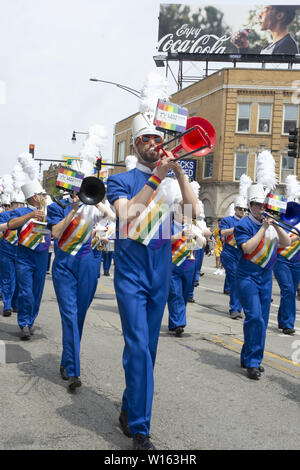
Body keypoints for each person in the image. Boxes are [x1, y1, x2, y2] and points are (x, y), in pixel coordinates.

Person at [107, 111, 198, 450]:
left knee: (148, 350)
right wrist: (157, 177)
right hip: (131, 275)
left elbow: (194, 214)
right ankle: (141, 429)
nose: (154, 144)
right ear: (135, 145)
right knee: (138, 347)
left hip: (160, 273)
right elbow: (125, 214)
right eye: (146, 139)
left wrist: (179, 175)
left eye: (157, 139)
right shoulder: (122, 180)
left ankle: (130, 406)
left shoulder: (171, 184)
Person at [47, 193, 108, 391]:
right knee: (70, 316)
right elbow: (55, 232)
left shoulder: (93, 207)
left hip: (88, 265)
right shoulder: (56, 207)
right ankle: (74, 371)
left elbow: (115, 219)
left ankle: (67, 359)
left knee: (79, 317)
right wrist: (73, 209)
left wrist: (96, 200)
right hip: (65, 266)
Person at [234, 184, 291, 380]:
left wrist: (275, 225)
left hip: (265, 278)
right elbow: (248, 248)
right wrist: (264, 227)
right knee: (255, 317)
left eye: (263, 205)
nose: (261, 209)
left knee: (262, 321)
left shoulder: (271, 224)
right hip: (247, 277)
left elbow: (287, 243)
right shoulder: (243, 225)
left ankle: (249, 355)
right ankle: (252, 362)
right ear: (250, 206)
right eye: (257, 205)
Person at [7, 179, 50, 340]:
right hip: (24, 256)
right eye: (42, 194)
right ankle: (24, 322)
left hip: (41, 255)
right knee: (26, 292)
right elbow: (11, 224)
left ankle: (30, 321)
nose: (45, 196)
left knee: (37, 292)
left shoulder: (48, 210)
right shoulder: (21, 211)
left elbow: (51, 231)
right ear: (33, 197)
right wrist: (31, 215)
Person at [168, 215, 206, 336]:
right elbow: (163, 242)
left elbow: (203, 243)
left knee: (183, 295)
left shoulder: (192, 227)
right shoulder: (167, 226)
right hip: (172, 264)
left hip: (189, 265)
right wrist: (181, 234)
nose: (184, 216)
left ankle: (174, 322)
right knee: (175, 293)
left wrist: (194, 235)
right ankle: (179, 323)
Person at [273, 201, 300, 335]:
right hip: (281, 260)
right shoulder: (278, 224)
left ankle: (282, 321)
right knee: (288, 289)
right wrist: (295, 238)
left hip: (297, 262)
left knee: (290, 292)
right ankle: (288, 324)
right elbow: (275, 244)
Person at [220, 196, 247, 319]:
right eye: (240, 209)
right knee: (235, 279)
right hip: (229, 254)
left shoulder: (247, 221)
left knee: (241, 281)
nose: (243, 211)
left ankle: (239, 307)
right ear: (235, 209)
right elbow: (222, 233)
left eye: (245, 209)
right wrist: (237, 227)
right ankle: (235, 309)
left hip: (241, 255)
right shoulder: (227, 220)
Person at [232, 5, 299, 55]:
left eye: (266, 9)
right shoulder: (269, 46)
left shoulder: (287, 45)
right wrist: (243, 48)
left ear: (279, 15)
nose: (259, 15)